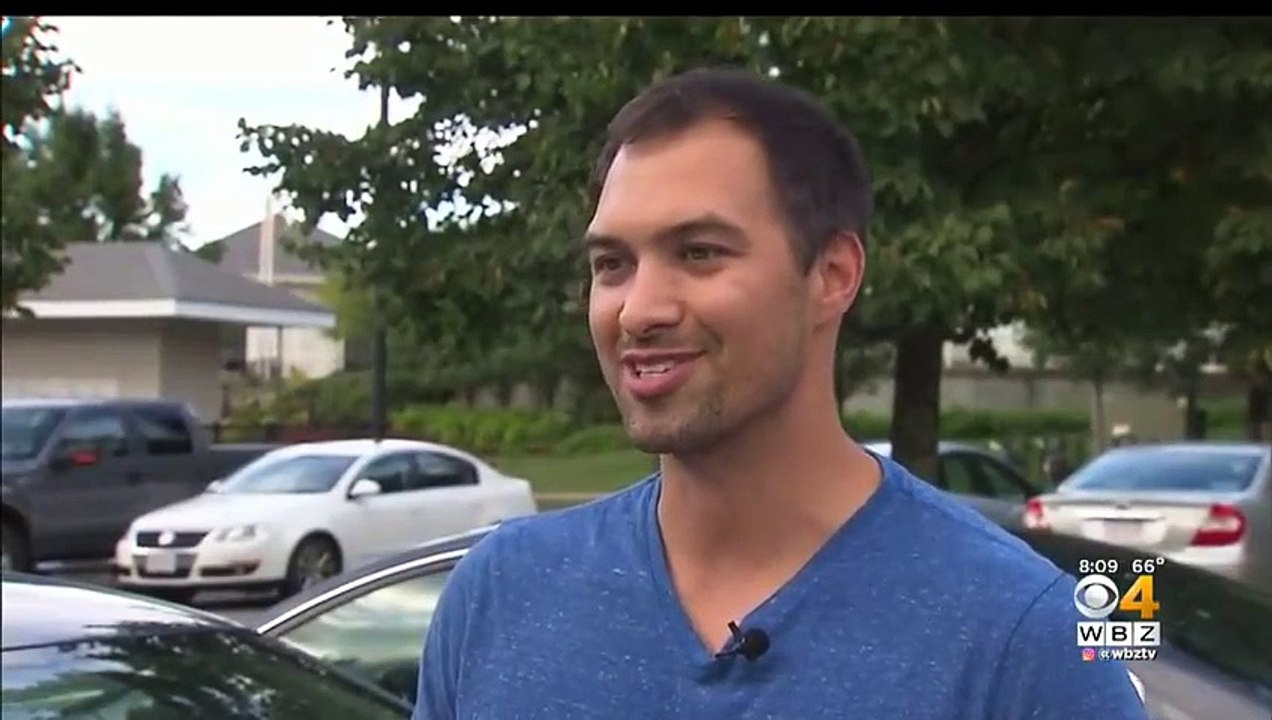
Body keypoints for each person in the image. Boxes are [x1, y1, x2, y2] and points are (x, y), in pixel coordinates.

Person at [412, 67, 1147, 719]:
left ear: (831, 275)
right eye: (612, 264)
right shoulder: (499, 596)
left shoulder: (1023, 637)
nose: (639, 308)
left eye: (698, 253)